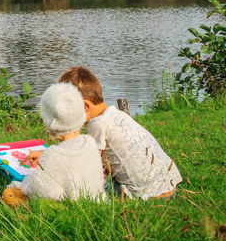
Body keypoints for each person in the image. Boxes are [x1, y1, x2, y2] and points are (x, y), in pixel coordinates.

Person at [58, 65, 182, 200]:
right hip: (169, 187)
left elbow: (87, 166)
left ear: (85, 106)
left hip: (147, 195)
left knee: (81, 184)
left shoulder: (98, 125)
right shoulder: (117, 114)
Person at [2, 82, 105, 207]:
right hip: (96, 202)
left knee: (9, 193)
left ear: (50, 123)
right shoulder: (90, 143)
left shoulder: (54, 154)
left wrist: (19, 184)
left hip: (69, 207)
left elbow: (40, 189)